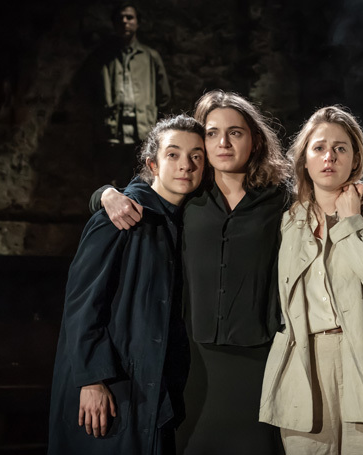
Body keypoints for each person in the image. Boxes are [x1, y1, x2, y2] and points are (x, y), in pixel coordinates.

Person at [90, 90, 291, 454]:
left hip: (259, 358)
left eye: (236, 132)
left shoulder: (281, 200)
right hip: (192, 361)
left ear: (255, 139)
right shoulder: (189, 194)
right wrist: (104, 194)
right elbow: (139, 194)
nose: (223, 142)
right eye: (212, 133)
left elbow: (323, 200)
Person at [259, 106, 363, 454]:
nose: (329, 156)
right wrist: (108, 193)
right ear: (304, 159)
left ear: (355, 157)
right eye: (318, 147)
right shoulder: (287, 221)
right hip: (304, 368)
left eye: (340, 147)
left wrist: (350, 222)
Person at [48, 115, 205, 455]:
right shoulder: (121, 215)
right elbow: (81, 303)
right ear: (153, 163)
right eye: (173, 154)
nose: (186, 165)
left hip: (150, 385)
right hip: (110, 382)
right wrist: (91, 379)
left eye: (196, 156)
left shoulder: (181, 219)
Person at [89, 1, 171, 186]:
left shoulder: (150, 57)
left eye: (129, 17)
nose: (125, 22)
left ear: (137, 22)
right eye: (120, 18)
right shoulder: (102, 57)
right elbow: (89, 92)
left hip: (142, 130)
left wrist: (151, 118)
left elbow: (164, 95)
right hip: (111, 131)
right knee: (109, 181)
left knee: (143, 179)